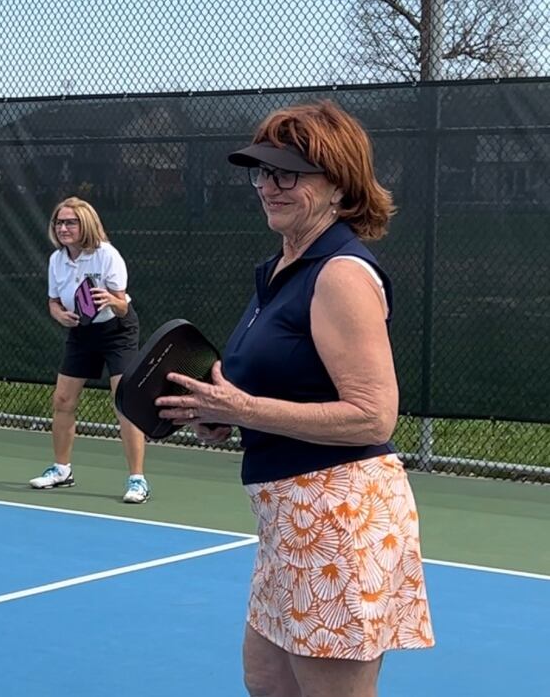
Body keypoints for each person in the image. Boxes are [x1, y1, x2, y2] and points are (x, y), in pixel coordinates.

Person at [156, 100, 434, 695]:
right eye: (262, 171)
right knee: (267, 682)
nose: (269, 186)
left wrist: (245, 411)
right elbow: (268, 390)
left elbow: (373, 415)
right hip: (288, 523)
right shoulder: (282, 270)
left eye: (288, 173)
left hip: (338, 520)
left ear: (338, 185)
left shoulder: (339, 274)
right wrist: (219, 415)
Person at [29, 196, 150, 504]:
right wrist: (59, 315)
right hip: (80, 332)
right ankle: (61, 470)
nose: (63, 227)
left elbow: (122, 306)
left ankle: (137, 480)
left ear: (86, 225)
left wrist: (111, 300)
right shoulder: (57, 260)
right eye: (59, 222)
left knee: (124, 400)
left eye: (71, 222)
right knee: (63, 399)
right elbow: (53, 302)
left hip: (117, 331)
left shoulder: (107, 256)